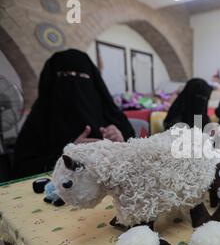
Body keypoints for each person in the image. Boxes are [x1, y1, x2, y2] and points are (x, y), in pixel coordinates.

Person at [13, 49, 135, 178]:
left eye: (82, 77)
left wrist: (121, 140)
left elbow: (136, 151)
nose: (74, 87)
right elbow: (22, 170)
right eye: (64, 76)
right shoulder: (39, 121)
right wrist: (67, 155)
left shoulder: (109, 114)